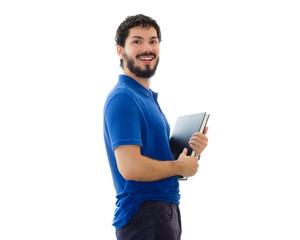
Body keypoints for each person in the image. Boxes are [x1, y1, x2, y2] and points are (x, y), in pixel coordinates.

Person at [103, 14, 208, 240]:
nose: (147, 48)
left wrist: (190, 153)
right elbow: (131, 167)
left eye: (153, 40)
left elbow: (154, 159)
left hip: (159, 213)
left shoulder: (145, 97)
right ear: (120, 50)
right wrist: (179, 167)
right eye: (137, 41)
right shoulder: (124, 98)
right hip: (147, 214)